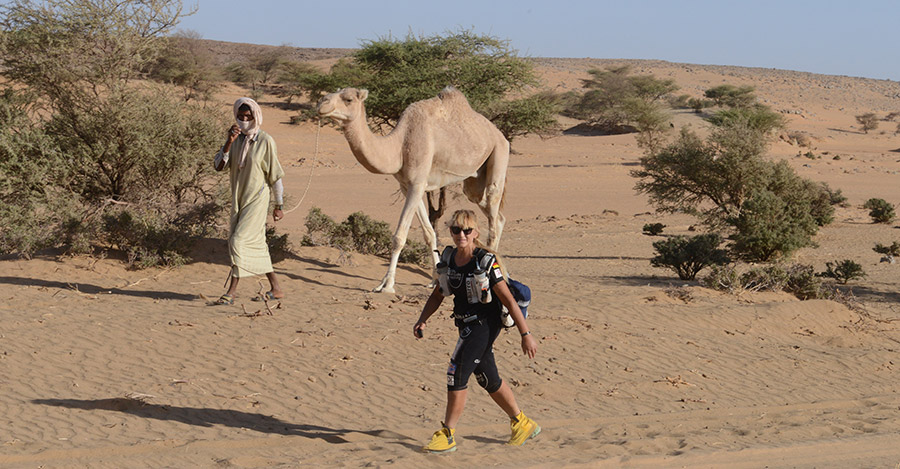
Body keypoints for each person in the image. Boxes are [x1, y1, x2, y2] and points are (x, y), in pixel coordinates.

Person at [413, 209, 540, 453]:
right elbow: (438, 294)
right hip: (465, 325)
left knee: (456, 373)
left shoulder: (485, 262)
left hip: (484, 325)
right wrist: (422, 319)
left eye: (467, 230)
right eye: (456, 230)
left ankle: (448, 434)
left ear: (475, 233)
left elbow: (509, 300)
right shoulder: (449, 259)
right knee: (488, 378)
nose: (461, 234)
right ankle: (522, 423)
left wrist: (526, 334)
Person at [212, 97, 285, 305]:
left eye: (248, 116)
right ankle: (276, 288)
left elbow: (275, 175)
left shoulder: (265, 140)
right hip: (239, 198)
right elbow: (218, 166)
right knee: (257, 244)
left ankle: (232, 292)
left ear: (256, 116)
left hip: (257, 199)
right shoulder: (235, 140)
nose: (244, 120)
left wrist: (279, 205)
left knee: (238, 241)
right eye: (240, 116)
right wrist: (228, 142)